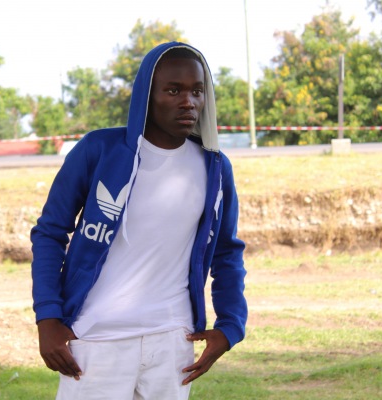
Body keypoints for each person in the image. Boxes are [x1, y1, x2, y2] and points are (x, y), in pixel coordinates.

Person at [30, 41, 247, 400]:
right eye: (173, 90)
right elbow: (50, 233)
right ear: (148, 94)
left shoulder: (215, 167)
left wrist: (230, 325)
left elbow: (226, 251)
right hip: (96, 337)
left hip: (173, 340)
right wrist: (47, 318)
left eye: (197, 91)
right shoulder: (99, 150)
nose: (188, 102)